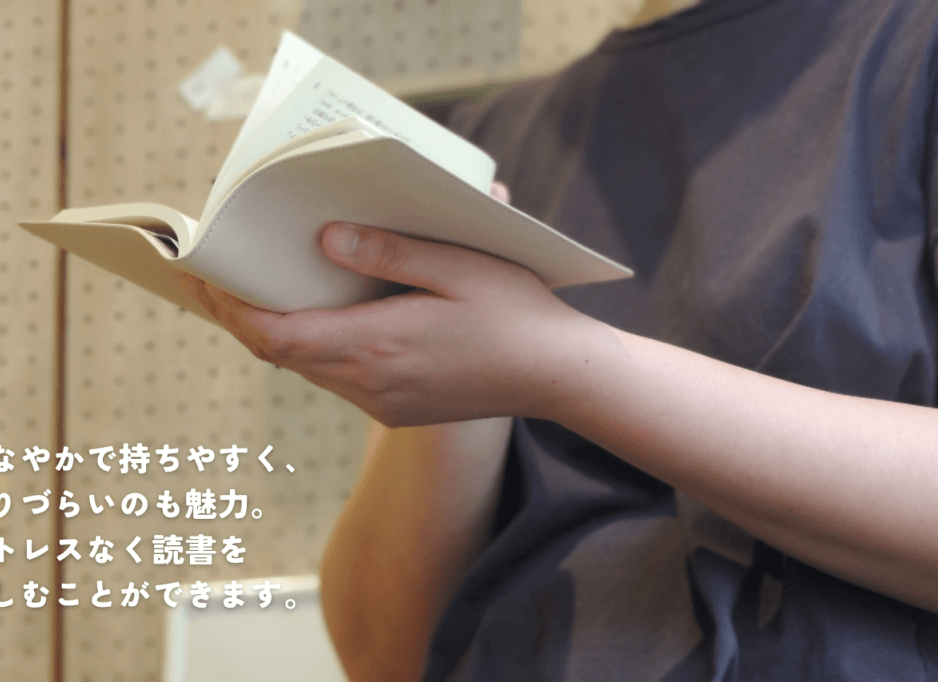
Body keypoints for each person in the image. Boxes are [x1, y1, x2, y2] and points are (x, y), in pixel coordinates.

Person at [180, 0, 938, 679]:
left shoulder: (908, 48)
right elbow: (385, 658)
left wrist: (564, 368)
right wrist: (455, 391)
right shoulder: (481, 148)